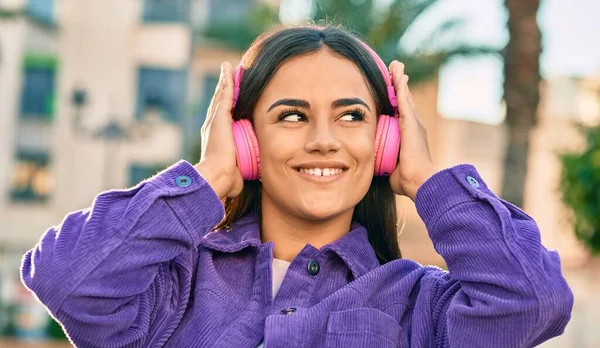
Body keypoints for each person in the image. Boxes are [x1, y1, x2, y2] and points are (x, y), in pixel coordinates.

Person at [20, 25, 573, 347]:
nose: (324, 140)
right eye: (291, 115)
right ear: (245, 137)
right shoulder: (173, 286)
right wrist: (210, 176)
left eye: (352, 116)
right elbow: (68, 281)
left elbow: (536, 300)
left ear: (384, 140)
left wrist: (427, 179)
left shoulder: (419, 304)